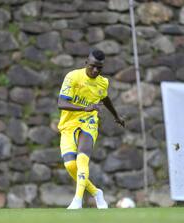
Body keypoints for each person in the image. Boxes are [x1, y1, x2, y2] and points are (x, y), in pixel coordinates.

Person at [57, 49, 125, 209]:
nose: (95, 70)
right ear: (86, 63)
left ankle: (77, 200)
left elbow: (105, 97)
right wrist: (84, 107)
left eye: (99, 68)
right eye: (93, 66)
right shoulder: (72, 77)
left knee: (82, 159)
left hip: (89, 122)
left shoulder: (103, 82)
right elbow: (61, 103)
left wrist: (116, 115)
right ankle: (96, 192)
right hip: (68, 124)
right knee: (70, 165)